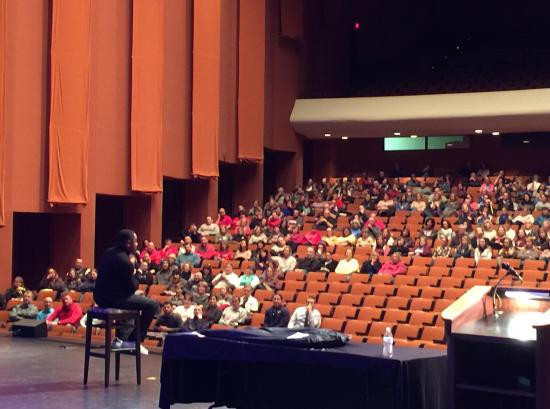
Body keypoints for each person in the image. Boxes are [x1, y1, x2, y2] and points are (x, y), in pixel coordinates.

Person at [94, 229, 159, 355]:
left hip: (100, 297)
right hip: (114, 299)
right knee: (152, 305)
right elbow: (133, 286)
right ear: (128, 243)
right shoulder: (125, 261)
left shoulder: (108, 252)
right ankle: (134, 342)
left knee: (135, 303)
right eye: (135, 242)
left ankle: (122, 341)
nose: (137, 244)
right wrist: (138, 272)